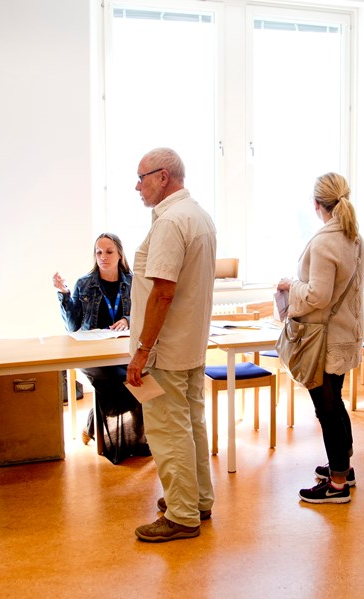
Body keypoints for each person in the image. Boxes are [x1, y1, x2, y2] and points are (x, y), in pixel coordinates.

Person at [127, 148, 217, 542]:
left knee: (168, 429)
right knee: (192, 424)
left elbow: (163, 292)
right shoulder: (198, 215)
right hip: (190, 343)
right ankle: (197, 499)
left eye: (142, 176)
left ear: (163, 177)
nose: (137, 185)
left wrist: (143, 349)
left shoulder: (171, 222)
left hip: (165, 346)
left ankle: (181, 515)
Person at [276, 172, 364, 504]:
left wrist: (290, 287)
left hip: (323, 340)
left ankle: (338, 484)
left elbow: (317, 296)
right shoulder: (355, 238)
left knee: (326, 408)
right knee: (335, 403)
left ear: (317, 205)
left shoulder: (325, 241)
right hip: (344, 335)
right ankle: (342, 465)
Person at [53, 233, 148, 462]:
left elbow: (143, 314)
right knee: (116, 382)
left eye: (108, 252)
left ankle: (101, 428)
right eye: (98, 252)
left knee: (139, 378)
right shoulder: (84, 284)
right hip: (93, 354)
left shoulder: (133, 282)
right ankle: (116, 440)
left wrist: (127, 319)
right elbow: (73, 326)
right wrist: (64, 295)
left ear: (119, 254)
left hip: (124, 350)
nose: (103, 257)